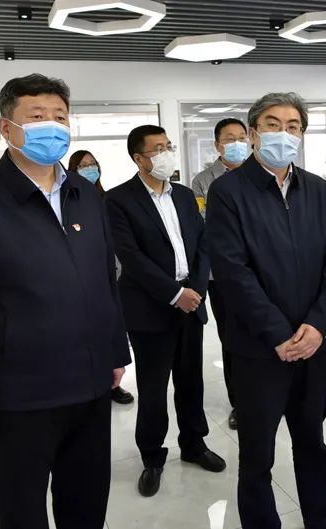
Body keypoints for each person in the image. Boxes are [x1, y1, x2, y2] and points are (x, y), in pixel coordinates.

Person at [0, 73, 130, 529]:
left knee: (86, 502)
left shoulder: (85, 194)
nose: (52, 126)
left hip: (90, 384)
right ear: (7, 128)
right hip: (20, 394)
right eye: (37, 116)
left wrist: (116, 353)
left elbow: (106, 281)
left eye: (59, 116)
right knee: (23, 510)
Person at [206, 93, 326, 529]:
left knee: (313, 441)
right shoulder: (228, 191)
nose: (283, 133)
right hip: (259, 349)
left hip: (314, 347)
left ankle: (322, 519)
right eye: (272, 124)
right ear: (253, 133)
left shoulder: (316, 188)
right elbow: (232, 271)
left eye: (293, 126)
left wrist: (318, 325)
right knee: (257, 454)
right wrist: (278, 335)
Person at [106, 124, 225, 498]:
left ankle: (194, 444)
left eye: (168, 146)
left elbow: (203, 244)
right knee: (154, 389)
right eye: (157, 149)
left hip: (191, 302)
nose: (166, 154)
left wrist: (196, 290)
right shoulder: (118, 200)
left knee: (191, 382)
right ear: (139, 158)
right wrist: (174, 294)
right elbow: (131, 257)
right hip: (150, 308)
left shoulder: (185, 195)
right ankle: (152, 457)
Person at [191, 118, 249, 430]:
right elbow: (204, 223)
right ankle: (239, 402)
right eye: (229, 138)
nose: (237, 143)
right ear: (217, 145)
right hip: (222, 274)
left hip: (260, 271)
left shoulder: (259, 174)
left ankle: (266, 394)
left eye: (241, 137)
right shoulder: (203, 182)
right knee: (231, 337)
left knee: (264, 331)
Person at [68, 149, 135, 406]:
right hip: (90, 277)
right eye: (83, 165)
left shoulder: (108, 198)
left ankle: (114, 381)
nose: (89, 168)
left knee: (115, 330)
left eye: (92, 164)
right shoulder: (71, 200)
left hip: (119, 272)